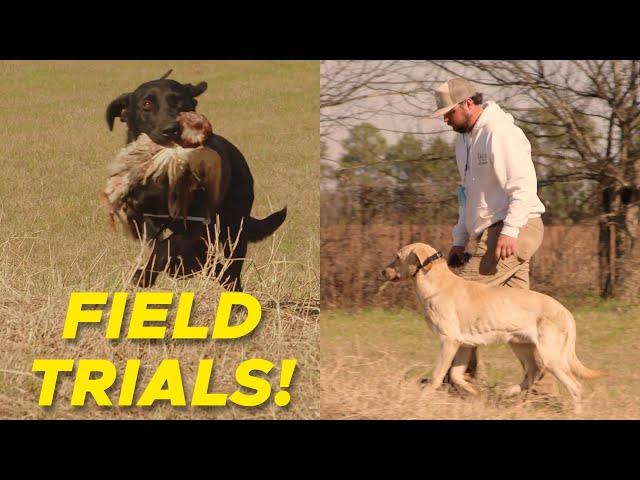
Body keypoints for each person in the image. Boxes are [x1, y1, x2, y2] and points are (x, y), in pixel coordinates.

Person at [428, 77, 557, 396]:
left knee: (461, 302)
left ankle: (457, 382)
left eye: (449, 112)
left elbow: (523, 186)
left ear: (467, 104)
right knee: (518, 318)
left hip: (516, 227)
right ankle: (543, 391)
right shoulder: (463, 140)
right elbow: (466, 195)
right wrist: (459, 238)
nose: (445, 119)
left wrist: (510, 231)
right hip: (490, 231)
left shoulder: (501, 133)